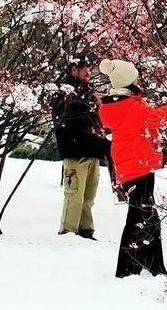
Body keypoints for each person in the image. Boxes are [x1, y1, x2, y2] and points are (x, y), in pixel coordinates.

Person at [98, 58, 167, 278]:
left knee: (146, 215)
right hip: (138, 166)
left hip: (130, 166)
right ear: (128, 81)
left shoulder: (116, 105)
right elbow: (160, 118)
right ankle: (129, 269)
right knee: (140, 216)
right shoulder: (131, 107)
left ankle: (151, 266)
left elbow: (152, 117)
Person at [51, 55, 111, 240]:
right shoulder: (64, 94)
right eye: (85, 69)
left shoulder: (87, 92)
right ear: (74, 70)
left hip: (92, 150)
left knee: (89, 194)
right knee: (74, 193)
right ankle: (68, 231)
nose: (88, 73)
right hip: (76, 150)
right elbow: (72, 122)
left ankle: (86, 229)